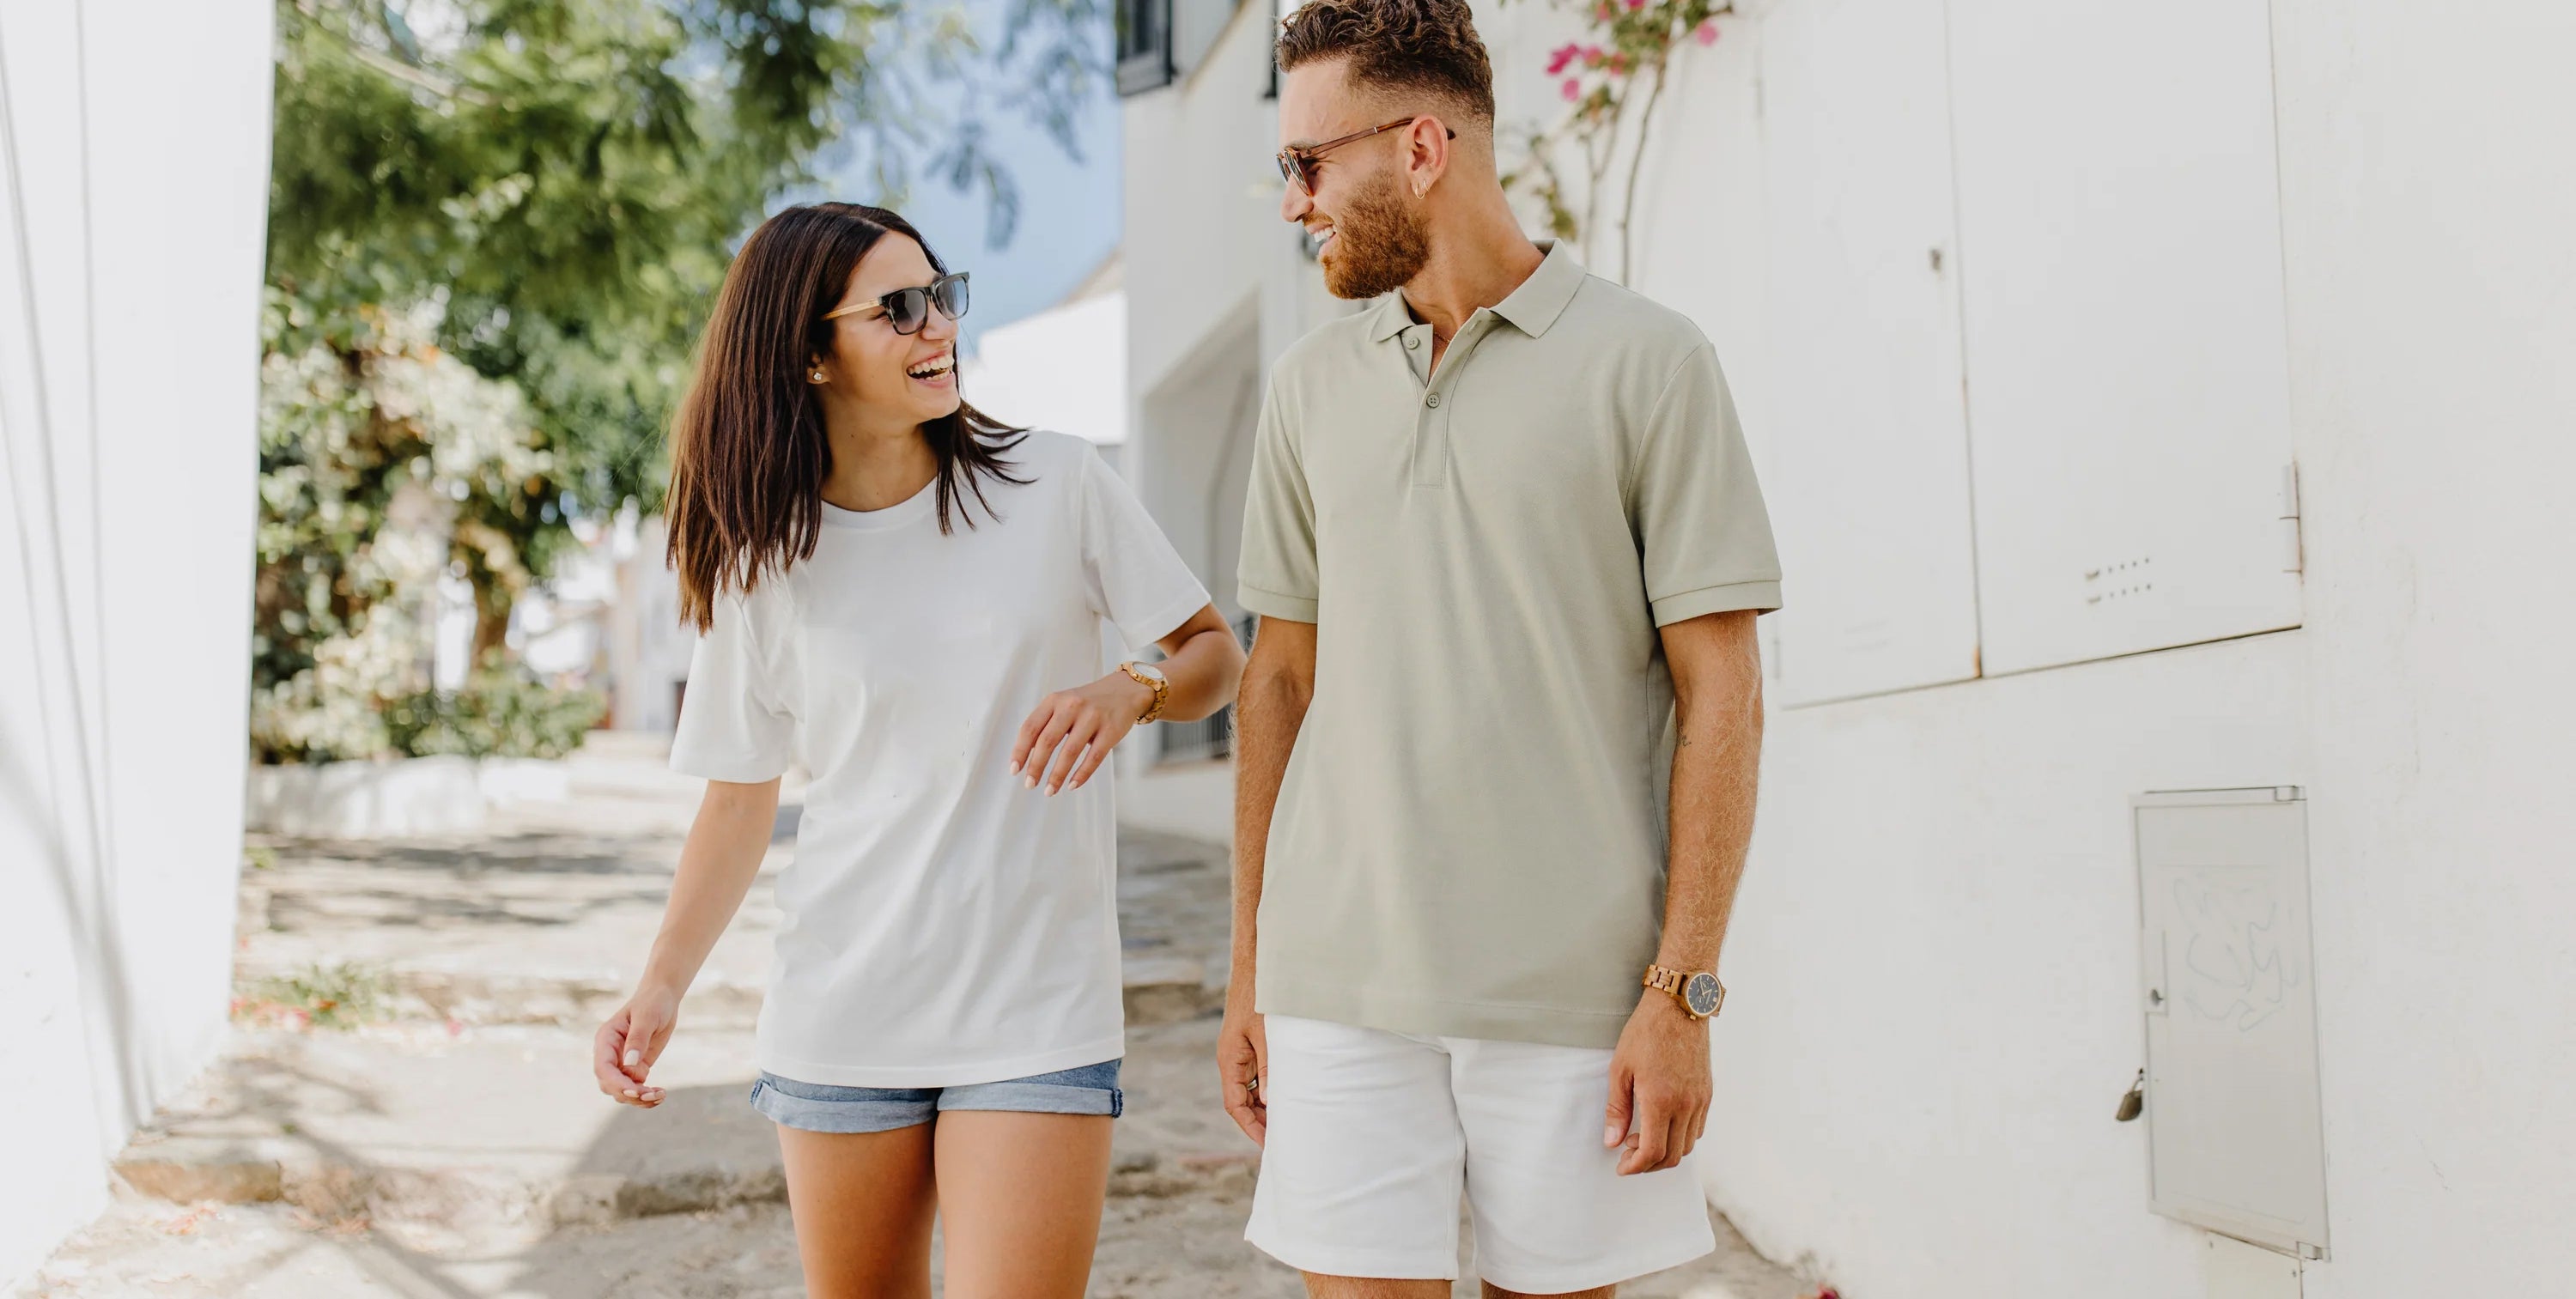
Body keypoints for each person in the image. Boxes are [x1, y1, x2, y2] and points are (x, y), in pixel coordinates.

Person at [1218, 3, 1783, 1296]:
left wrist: (1683, 991)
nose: (1294, 200)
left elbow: (1725, 694)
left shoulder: (1650, 364)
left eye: (1311, 163)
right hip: (1337, 983)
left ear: (1422, 147)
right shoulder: (1308, 390)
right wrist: (1252, 969)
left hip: (1574, 995)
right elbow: (1280, 684)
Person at [590, 203, 1245, 1299]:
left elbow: (1213, 653)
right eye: (897, 308)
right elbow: (739, 801)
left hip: (1035, 1009)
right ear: (808, 352)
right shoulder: (764, 560)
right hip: (842, 1015)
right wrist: (657, 990)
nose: (936, 324)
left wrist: (1131, 687)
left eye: (943, 295)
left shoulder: (1058, 483)